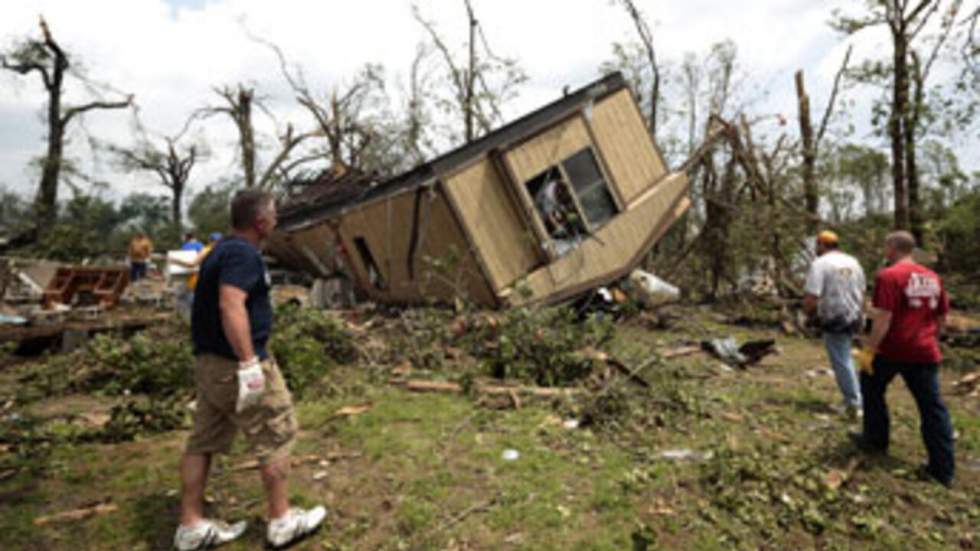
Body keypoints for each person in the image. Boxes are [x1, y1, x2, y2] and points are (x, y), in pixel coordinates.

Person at [174, 192, 325, 551]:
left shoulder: (221, 250)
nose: (276, 220)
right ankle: (281, 520)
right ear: (260, 222)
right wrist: (248, 363)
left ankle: (191, 525)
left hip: (210, 364)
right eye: (273, 215)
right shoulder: (243, 254)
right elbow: (231, 304)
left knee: (202, 441)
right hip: (234, 364)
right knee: (275, 430)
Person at [852, 231, 955, 488]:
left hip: (892, 350)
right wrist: (933, 338)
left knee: (871, 389)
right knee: (932, 408)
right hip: (924, 351)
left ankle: (875, 440)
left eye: (885, 246)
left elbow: (884, 318)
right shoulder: (932, 277)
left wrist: (869, 350)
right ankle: (942, 469)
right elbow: (942, 318)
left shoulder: (888, 276)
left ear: (891, 248)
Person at [803, 230, 866, 419]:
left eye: (818, 245)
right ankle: (856, 397)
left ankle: (854, 403)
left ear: (822, 245)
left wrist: (809, 315)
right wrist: (861, 316)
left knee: (841, 360)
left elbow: (812, 295)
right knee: (846, 356)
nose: (816, 249)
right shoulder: (853, 262)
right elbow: (862, 291)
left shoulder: (820, 264)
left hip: (834, 316)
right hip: (854, 315)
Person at [172, 233, 222, 319]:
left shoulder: (206, 249)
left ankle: (191, 320)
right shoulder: (223, 251)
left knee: (188, 299)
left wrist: (175, 260)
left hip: (198, 280)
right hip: (217, 283)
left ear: (210, 241)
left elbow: (192, 264)